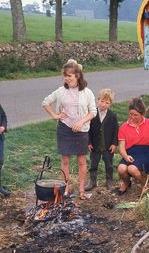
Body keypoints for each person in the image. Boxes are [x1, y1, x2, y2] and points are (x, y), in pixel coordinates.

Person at [42, 59, 96, 200]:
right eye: (65, 75)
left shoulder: (87, 92)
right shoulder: (61, 91)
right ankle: (65, 189)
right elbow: (45, 102)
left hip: (82, 130)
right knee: (65, 161)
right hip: (64, 129)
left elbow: (93, 112)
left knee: (81, 161)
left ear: (77, 76)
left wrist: (81, 121)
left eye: (69, 76)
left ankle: (82, 190)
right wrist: (55, 115)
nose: (66, 78)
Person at [117, 97, 149, 195]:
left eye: (136, 115)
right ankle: (127, 182)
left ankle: (144, 183)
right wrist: (126, 156)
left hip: (146, 152)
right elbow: (122, 147)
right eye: (131, 114)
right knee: (121, 169)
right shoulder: (124, 127)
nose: (132, 117)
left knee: (132, 169)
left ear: (142, 114)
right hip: (131, 152)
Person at [85, 89, 119, 191]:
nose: (104, 104)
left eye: (107, 102)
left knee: (109, 164)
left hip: (107, 146)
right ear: (98, 100)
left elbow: (116, 130)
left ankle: (109, 181)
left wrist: (114, 143)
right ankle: (92, 181)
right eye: (102, 101)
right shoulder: (92, 114)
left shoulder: (112, 116)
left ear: (110, 104)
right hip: (95, 145)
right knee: (93, 163)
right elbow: (87, 129)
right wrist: (89, 142)